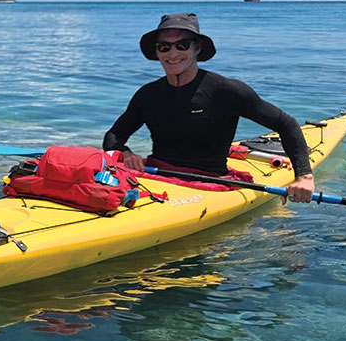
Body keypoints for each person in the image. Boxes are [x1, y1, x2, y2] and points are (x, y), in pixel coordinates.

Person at [103, 13, 315, 204]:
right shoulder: (148, 94)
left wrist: (304, 176)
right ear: (157, 52)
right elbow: (114, 136)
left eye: (182, 45)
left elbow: (285, 123)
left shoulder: (226, 90)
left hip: (210, 182)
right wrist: (125, 153)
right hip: (156, 176)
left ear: (197, 48)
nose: (173, 53)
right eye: (164, 47)